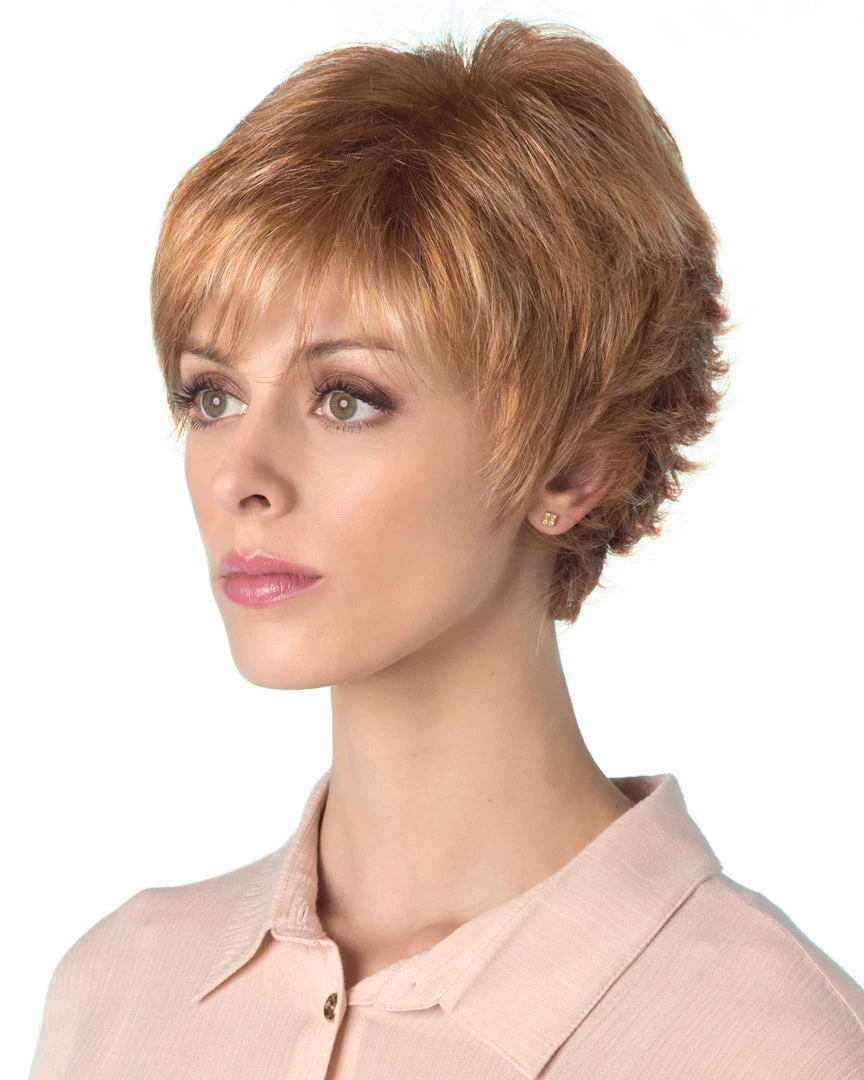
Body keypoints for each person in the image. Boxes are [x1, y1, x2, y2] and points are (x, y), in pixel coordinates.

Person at [28, 17, 864, 1080]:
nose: (242, 475)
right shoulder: (118, 994)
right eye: (213, 395)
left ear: (572, 465)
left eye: (347, 398)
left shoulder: (774, 1048)